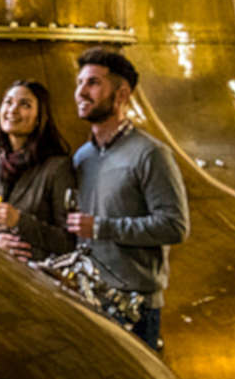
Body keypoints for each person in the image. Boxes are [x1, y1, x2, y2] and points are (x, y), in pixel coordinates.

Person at [65, 46, 190, 352]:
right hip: (89, 301)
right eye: (80, 83)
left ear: (121, 95)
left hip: (135, 309)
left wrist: (102, 227)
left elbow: (174, 226)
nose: (81, 92)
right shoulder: (83, 157)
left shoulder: (150, 154)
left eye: (93, 83)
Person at [0, 80, 76, 263]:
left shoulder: (57, 168)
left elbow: (69, 242)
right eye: (8, 102)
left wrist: (19, 221)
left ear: (39, 118)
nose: (13, 110)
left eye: (25, 105)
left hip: (37, 279)